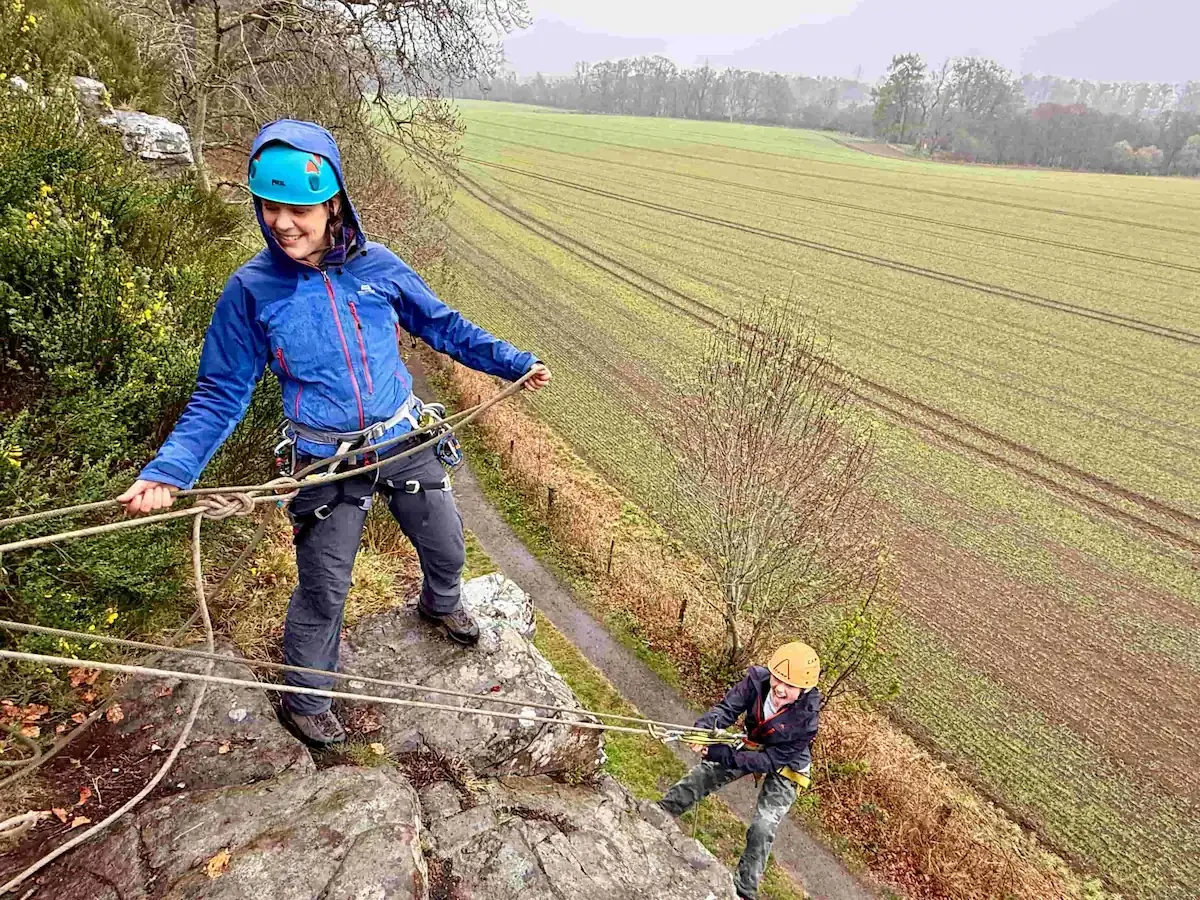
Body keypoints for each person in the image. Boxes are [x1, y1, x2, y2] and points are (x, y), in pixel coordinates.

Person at [118, 119, 551, 748]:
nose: (282, 223)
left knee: (448, 547)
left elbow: (446, 327)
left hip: (402, 435)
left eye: (297, 208)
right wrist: (168, 472)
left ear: (332, 203)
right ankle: (306, 698)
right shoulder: (251, 291)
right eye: (269, 207)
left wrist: (514, 362)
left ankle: (439, 603)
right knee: (325, 587)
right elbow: (221, 392)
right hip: (324, 458)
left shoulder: (379, 269)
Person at [658, 641, 821, 900]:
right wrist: (704, 729)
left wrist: (721, 753)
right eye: (778, 679)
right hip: (754, 742)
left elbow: (769, 762)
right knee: (704, 775)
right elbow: (726, 709)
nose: (779, 688)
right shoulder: (756, 682)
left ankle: (744, 890)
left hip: (787, 763)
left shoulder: (806, 721)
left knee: (763, 826)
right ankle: (662, 812)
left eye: (789, 686)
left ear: (805, 689)